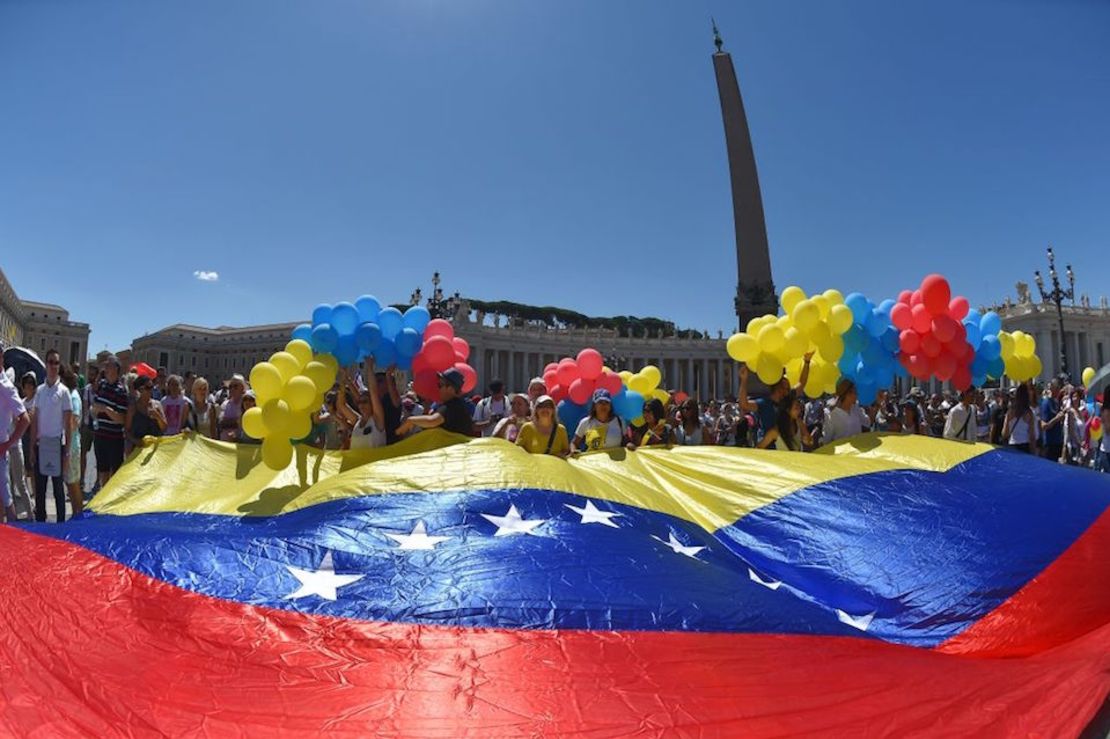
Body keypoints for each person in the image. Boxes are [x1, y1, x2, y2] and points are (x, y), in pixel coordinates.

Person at [30, 348, 73, 523]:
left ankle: (61, 526)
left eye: (56, 363)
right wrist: (32, 447)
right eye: (50, 362)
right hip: (41, 445)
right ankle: (41, 525)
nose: (53, 366)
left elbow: (69, 424)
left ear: (59, 366)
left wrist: (67, 452)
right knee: (40, 490)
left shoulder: (64, 392)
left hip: (57, 445)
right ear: (46, 365)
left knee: (58, 490)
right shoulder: (39, 391)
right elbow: (35, 420)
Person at [737, 353, 813, 444]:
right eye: (785, 387)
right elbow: (744, 404)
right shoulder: (764, 403)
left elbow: (801, 383)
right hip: (767, 447)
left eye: (788, 388)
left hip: (785, 447)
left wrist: (807, 361)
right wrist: (744, 380)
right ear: (777, 387)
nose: (788, 390)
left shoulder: (787, 399)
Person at [396, 368, 475, 437]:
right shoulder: (458, 404)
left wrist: (410, 420)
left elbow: (432, 421)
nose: (438, 388)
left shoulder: (452, 406)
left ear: (451, 389)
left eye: (440, 385)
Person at [0, 350, 31, 523]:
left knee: (6, 497)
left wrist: (8, 444)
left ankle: (12, 539)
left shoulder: (6, 385)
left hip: (0, 447)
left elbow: (25, 419)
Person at [337, 359, 387, 450]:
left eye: (365, 402)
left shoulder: (377, 420)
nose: (361, 405)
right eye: (359, 402)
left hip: (374, 464)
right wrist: (343, 382)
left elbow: (373, 391)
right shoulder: (356, 421)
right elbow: (341, 405)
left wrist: (370, 367)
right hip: (356, 464)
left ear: (372, 403)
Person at [59, 366, 84, 516]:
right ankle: (76, 513)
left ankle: (78, 513)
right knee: (70, 482)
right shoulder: (70, 395)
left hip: (73, 446)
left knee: (73, 483)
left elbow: (74, 421)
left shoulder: (73, 397)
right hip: (70, 444)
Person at [821, 379, 868, 445]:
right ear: (847, 394)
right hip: (842, 454)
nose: (857, 395)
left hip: (859, 451)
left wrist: (877, 405)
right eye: (855, 392)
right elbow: (827, 440)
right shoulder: (830, 413)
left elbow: (867, 422)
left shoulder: (856, 408)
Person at [127, 375, 166, 446]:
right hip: (138, 448)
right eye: (148, 388)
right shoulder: (133, 408)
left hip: (155, 448)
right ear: (140, 389)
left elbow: (164, 428)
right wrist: (136, 441)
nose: (151, 390)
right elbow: (127, 431)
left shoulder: (157, 404)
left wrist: (158, 417)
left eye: (152, 387)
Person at [79, 363, 99, 493]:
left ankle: (97, 482)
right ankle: (81, 479)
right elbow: (85, 406)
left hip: (98, 426)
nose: (90, 377)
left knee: (98, 455)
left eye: (92, 374)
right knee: (83, 453)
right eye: (89, 374)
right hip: (87, 425)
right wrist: (83, 423)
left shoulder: (101, 389)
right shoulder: (87, 389)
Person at [1003, 383, 1038, 454]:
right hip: (1025, 446)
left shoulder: (1010, 412)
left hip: (1012, 445)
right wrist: (1034, 451)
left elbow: (1004, 434)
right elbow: (1032, 436)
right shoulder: (1029, 413)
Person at [1039, 378, 1065, 462]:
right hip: (1049, 443)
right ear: (1052, 388)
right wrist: (1056, 419)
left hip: (1058, 441)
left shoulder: (1056, 403)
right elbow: (1043, 426)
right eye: (1057, 388)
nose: (1059, 390)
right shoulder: (1046, 403)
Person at [217, 374, 247, 441]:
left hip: (241, 444)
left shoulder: (247, 403)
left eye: (235, 386)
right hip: (225, 443)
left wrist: (229, 421)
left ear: (242, 388)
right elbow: (221, 423)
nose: (232, 389)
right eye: (230, 387)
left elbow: (247, 423)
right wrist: (237, 421)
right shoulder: (225, 404)